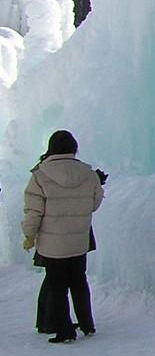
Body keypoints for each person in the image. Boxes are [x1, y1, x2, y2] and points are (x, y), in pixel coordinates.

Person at [22, 130, 105, 343]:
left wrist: (29, 235)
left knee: (57, 286)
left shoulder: (40, 175)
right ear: (73, 148)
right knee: (79, 282)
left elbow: (34, 211)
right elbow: (94, 203)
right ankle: (87, 324)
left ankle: (65, 331)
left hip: (53, 244)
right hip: (78, 240)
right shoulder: (88, 173)